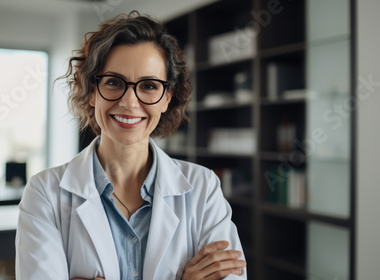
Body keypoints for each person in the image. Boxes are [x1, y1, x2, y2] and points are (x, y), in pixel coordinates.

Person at [15, 11, 247, 280]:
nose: (129, 102)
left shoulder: (203, 188)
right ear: (92, 91)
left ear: (166, 97)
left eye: (148, 85)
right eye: (114, 82)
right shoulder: (45, 193)